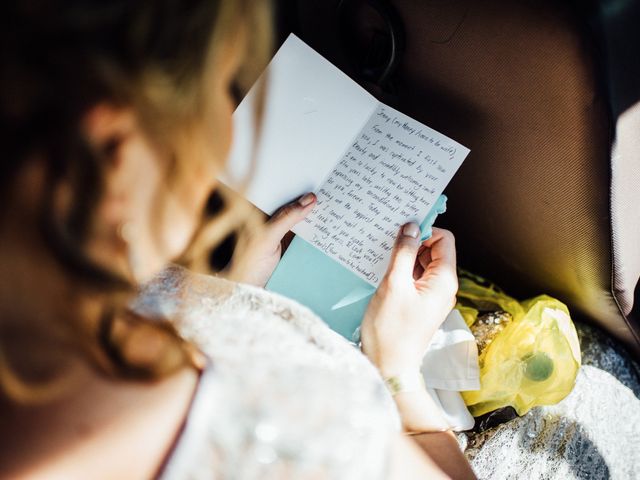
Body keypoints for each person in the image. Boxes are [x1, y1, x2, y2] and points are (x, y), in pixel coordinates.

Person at [0, 0, 477, 478]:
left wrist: (230, 292)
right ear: (114, 145)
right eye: (221, 89)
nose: (226, 125)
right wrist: (399, 373)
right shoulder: (297, 412)